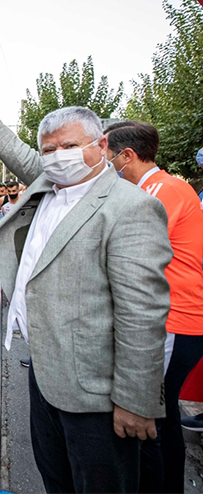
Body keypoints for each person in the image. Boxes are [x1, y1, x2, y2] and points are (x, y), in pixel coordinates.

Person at [0, 72, 172, 493]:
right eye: (49, 150)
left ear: (101, 146)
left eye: (70, 146)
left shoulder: (131, 208)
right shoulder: (50, 182)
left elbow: (142, 314)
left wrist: (136, 400)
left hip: (99, 398)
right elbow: (13, 147)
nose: (58, 156)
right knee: (56, 481)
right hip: (46, 378)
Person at [105, 120, 203, 494]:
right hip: (173, 317)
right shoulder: (163, 187)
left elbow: (129, 247)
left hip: (175, 318)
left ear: (126, 156)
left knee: (148, 421)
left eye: (108, 156)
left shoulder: (160, 190)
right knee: (160, 419)